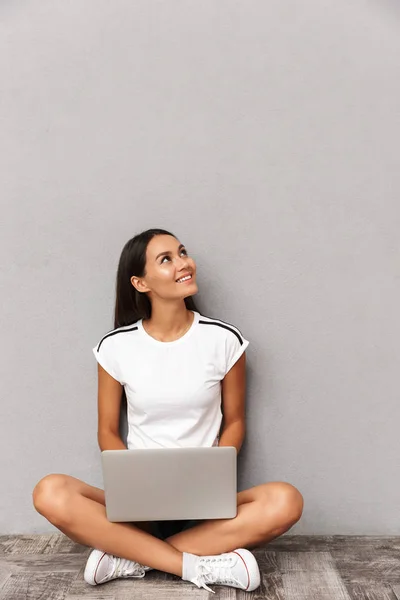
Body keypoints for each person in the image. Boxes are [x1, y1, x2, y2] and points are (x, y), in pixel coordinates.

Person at [32, 228, 304, 594]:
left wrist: (214, 469)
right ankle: (196, 565)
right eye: (166, 259)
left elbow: (236, 421)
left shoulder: (224, 339)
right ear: (140, 283)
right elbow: (107, 431)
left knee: (286, 500)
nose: (184, 263)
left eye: (182, 253)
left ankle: (127, 557)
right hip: (139, 506)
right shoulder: (115, 347)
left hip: (206, 504)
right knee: (50, 491)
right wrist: (132, 483)